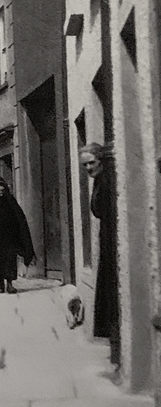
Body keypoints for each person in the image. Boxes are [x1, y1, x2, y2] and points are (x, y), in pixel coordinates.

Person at [80, 143, 120, 366]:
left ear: (101, 161)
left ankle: (117, 350)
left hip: (112, 242)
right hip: (107, 240)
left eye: (91, 163)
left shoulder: (107, 180)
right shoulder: (99, 180)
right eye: (85, 165)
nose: (88, 168)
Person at [0, 178, 35, 293]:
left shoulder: (10, 201)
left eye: (2, 191)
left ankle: (10, 284)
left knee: (10, 261)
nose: (1, 193)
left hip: (9, 238)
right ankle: (1, 284)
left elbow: (19, 217)